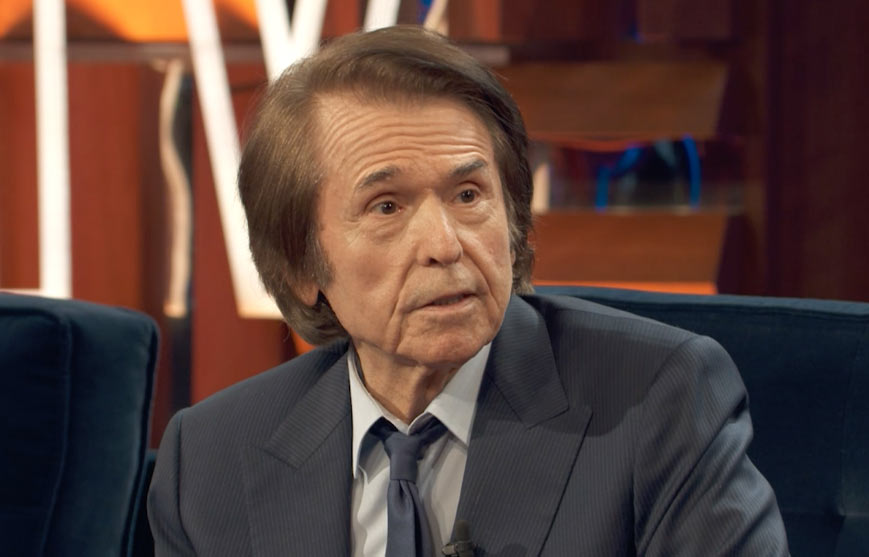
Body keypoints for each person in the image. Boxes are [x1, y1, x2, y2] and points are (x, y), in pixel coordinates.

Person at [149, 25, 789, 556]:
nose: (445, 244)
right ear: (301, 265)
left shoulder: (658, 400)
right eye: (387, 206)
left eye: (467, 194)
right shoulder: (210, 459)